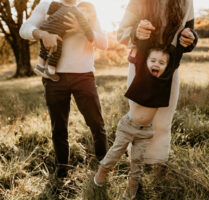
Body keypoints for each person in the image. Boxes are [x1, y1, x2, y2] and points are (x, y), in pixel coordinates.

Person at [19, 0, 108, 179]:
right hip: (54, 78)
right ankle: (62, 172)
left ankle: (104, 166)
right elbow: (24, 29)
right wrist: (42, 34)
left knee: (96, 124)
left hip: (84, 76)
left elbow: (104, 43)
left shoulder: (87, 7)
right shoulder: (47, 5)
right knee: (59, 128)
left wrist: (82, 28)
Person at [117, 0, 197, 172]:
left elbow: (190, 34)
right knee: (139, 119)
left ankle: (158, 166)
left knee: (163, 122)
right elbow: (121, 34)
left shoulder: (187, 2)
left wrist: (190, 39)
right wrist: (136, 33)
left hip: (169, 69)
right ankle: (135, 167)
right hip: (140, 67)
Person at [94, 47, 171, 199]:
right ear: (146, 62)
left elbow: (174, 60)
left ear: (167, 67)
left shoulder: (164, 83)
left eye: (162, 62)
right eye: (153, 61)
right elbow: (139, 57)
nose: (157, 64)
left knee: (137, 160)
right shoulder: (141, 75)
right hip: (128, 126)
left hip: (146, 131)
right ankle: (102, 171)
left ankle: (132, 187)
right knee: (115, 152)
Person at [35, 1, 96, 82]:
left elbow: (53, 4)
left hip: (44, 28)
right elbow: (86, 27)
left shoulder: (61, 6)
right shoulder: (78, 13)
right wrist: (91, 37)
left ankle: (40, 66)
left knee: (44, 48)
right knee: (56, 50)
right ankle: (50, 71)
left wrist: (49, 15)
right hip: (55, 32)